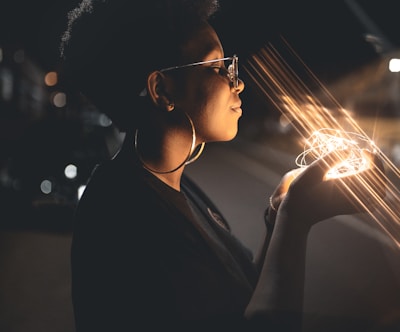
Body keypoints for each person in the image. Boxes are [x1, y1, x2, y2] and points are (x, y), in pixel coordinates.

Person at [58, 0, 386, 331]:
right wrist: (295, 219)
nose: (237, 82)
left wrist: (277, 217)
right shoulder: (121, 216)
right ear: (161, 89)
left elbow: (244, 299)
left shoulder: (173, 185)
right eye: (217, 67)